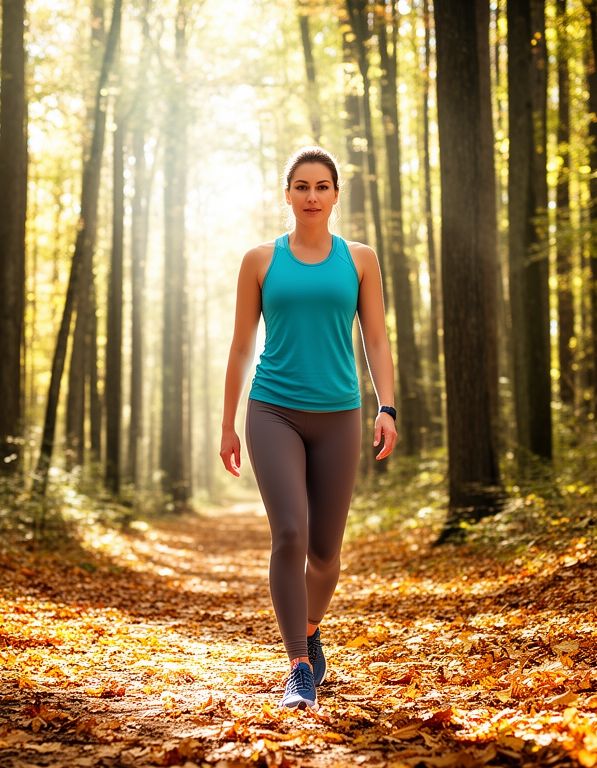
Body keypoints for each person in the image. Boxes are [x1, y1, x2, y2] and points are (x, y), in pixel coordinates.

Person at [219, 146, 398, 710]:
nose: (312, 196)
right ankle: (299, 664)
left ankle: (312, 628)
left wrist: (387, 407)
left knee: (324, 553)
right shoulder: (260, 261)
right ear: (287, 194)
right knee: (290, 535)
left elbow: (376, 339)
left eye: (322, 186)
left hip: (340, 415)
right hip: (273, 409)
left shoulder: (361, 260)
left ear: (337, 195)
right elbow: (242, 345)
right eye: (302, 186)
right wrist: (229, 423)